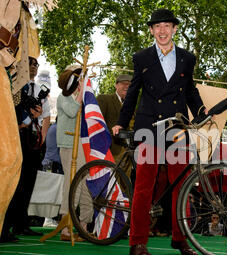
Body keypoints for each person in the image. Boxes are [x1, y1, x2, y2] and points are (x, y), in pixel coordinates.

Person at [112, 9, 207, 255]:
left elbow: (190, 90)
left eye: (167, 26)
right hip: (149, 127)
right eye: (157, 26)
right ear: (152, 30)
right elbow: (133, 92)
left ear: (174, 29)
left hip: (176, 128)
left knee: (182, 185)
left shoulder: (187, 58)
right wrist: (121, 122)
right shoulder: (142, 57)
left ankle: (180, 238)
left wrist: (200, 110)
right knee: (144, 186)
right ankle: (138, 242)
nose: (162, 31)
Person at [2, 57, 50, 240]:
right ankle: (5, 226)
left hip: (32, 140)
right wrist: (28, 119)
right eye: (30, 63)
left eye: (36, 64)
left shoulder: (39, 91)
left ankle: (22, 224)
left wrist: (41, 140)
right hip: (14, 137)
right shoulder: (13, 87)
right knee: (14, 183)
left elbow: (45, 117)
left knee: (28, 183)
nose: (33, 67)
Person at [56, 64, 93, 241]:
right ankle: (66, 225)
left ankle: (83, 224)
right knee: (72, 183)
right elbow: (72, 112)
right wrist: (79, 94)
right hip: (68, 143)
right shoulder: (64, 97)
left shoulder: (83, 97)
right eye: (78, 78)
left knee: (85, 183)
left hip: (82, 143)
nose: (80, 81)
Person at [97, 74, 133, 177]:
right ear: (116, 85)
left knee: (124, 186)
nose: (127, 86)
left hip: (128, 154)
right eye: (124, 83)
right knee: (109, 184)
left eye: (130, 85)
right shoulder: (104, 99)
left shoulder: (131, 106)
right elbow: (98, 125)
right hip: (111, 151)